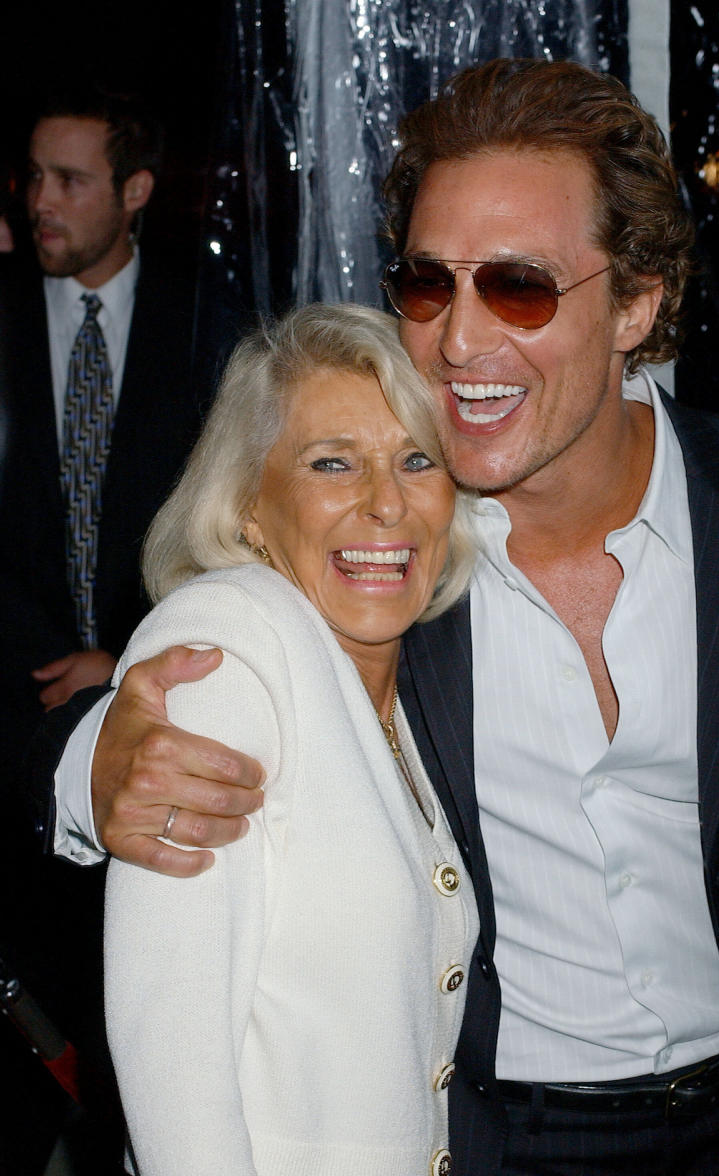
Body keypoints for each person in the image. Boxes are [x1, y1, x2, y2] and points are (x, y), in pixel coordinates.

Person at [33, 59, 719, 1176]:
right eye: (429, 283)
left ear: (638, 303)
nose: (460, 342)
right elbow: (219, 645)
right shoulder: (384, 557)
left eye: (518, 286)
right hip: (493, 1137)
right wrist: (95, 763)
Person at [104, 301, 478, 1174]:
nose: (387, 504)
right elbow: (172, 1052)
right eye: (332, 464)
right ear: (247, 509)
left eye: (417, 460)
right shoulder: (224, 658)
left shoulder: (400, 684)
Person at [0, 90, 229, 1173]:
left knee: (132, 1011)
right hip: (14, 718)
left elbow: (232, 520)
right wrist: (47, 657)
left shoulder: (208, 318)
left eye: (70, 181)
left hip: (162, 707)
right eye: (33, 178)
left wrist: (126, 653)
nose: (40, 202)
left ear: (135, 192)